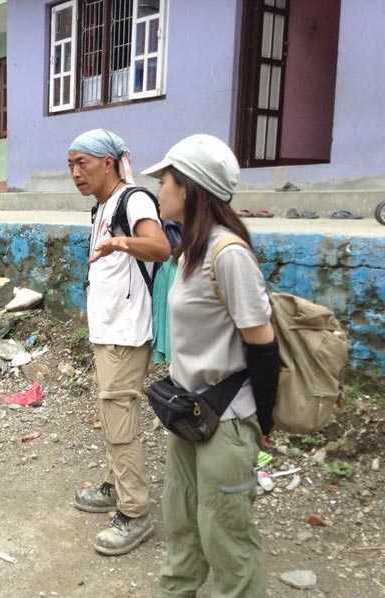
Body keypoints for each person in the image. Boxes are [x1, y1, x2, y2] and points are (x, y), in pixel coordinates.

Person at [141, 134, 279, 597]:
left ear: (189, 188)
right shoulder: (190, 252)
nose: (158, 188)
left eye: (164, 179)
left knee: (226, 537)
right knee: (181, 520)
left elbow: (263, 345)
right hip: (189, 413)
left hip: (228, 418)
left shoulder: (228, 254)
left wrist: (265, 420)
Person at [68, 129, 170, 556]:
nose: (75, 173)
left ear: (108, 162)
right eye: (71, 165)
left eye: (82, 163)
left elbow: (160, 246)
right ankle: (114, 486)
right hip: (109, 329)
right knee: (112, 416)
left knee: (121, 422)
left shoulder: (135, 200)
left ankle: (135, 512)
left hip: (127, 332)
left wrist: (120, 241)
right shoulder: (103, 206)